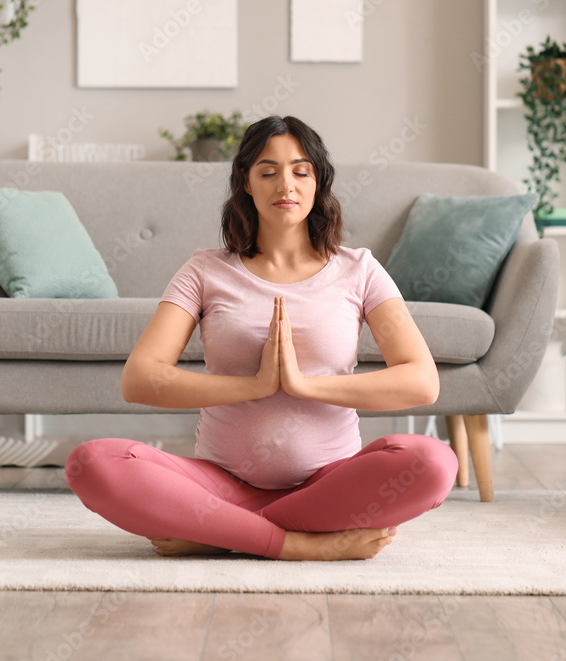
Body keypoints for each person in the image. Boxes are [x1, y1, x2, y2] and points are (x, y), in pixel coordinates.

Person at [65, 115, 458, 561]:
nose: (284, 184)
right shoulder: (205, 270)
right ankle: (297, 543)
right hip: (222, 486)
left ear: (319, 182)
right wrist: (254, 385)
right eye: (267, 172)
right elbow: (139, 378)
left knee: (434, 463)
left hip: (328, 487)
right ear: (246, 184)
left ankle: (220, 533)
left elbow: (422, 381)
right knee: (91, 462)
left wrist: (305, 385)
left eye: (300, 171)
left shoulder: (359, 270)